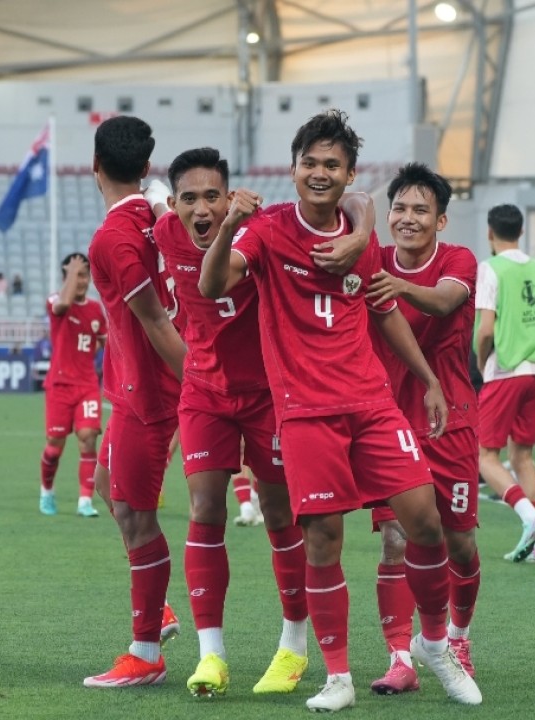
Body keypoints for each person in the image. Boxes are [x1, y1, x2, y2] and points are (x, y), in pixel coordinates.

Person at [200, 110, 481, 711]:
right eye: (310, 164)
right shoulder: (269, 230)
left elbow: (383, 310)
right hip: (305, 413)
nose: (320, 173)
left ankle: (435, 644)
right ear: (293, 169)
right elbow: (213, 286)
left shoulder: (363, 242)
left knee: (425, 521)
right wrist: (227, 227)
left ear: (349, 173)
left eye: (332, 165)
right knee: (323, 539)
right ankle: (337, 677)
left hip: (373, 405)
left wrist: (429, 379)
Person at [151, 146, 372, 697]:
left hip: (271, 395)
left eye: (211, 197)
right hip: (204, 393)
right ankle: (211, 656)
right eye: (188, 199)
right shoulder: (164, 235)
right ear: (173, 203)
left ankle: (293, 647)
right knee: (205, 509)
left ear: (229, 197)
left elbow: (361, 197)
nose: (201, 209)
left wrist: (363, 232)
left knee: (280, 516)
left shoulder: (263, 225)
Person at [362, 164, 483, 691]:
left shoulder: (458, 260)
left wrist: (398, 285)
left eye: (420, 211)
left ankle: (457, 637)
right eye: (400, 209)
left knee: (458, 543)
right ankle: (401, 659)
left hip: (450, 416)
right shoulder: (372, 258)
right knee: (395, 538)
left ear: (440, 220)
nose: (407, 219)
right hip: (389, 418)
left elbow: (445, 300)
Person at [81, 116, 187, 688]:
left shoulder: (113, 241)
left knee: (136, 518)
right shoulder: (156, 213)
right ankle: (159, 609)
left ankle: (146, 649)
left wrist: (201, 390)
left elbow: (156, 322)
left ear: (92, 166)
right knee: (107, 487)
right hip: (131, 388)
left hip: (149, 393)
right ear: (146, 167)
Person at [472, 203, 535, 563]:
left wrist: (482, 363)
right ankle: (533, 544)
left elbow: (486, 329)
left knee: (483, 455)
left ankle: (530, 516)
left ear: (490, 234)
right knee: (523, 455)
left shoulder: (490, 268)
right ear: (521, 232)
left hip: (507, 368)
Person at [36, 253, 106, 518]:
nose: (82, 281)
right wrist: (71, 273)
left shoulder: (95, 309)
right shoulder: (55, 299)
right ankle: (47, 491)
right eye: (77, 275)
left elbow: (105, 342)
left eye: (85, 275)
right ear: (66, 277)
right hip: (60, 385)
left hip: (87, 384)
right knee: (54, 447)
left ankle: (85, 501)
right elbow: (62, 306)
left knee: (88, 438)